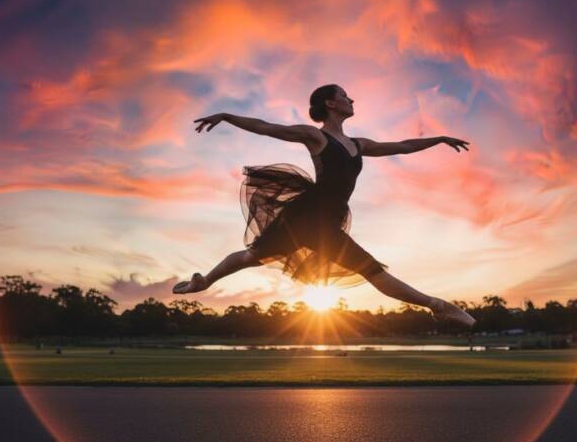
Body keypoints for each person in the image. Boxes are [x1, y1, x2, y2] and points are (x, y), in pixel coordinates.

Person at [173, 84, 476, 326]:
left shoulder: (359, 145)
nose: (350, 99)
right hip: (306, 216)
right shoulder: (314, 136)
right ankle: (439, 306)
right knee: (367, 269)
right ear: (331, 104)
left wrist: (438, 139)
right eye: (344, 95)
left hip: (327, 221)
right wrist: (226, 116)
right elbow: (266, 127)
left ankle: (202, 283)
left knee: (253, 256)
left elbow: (403, 146)